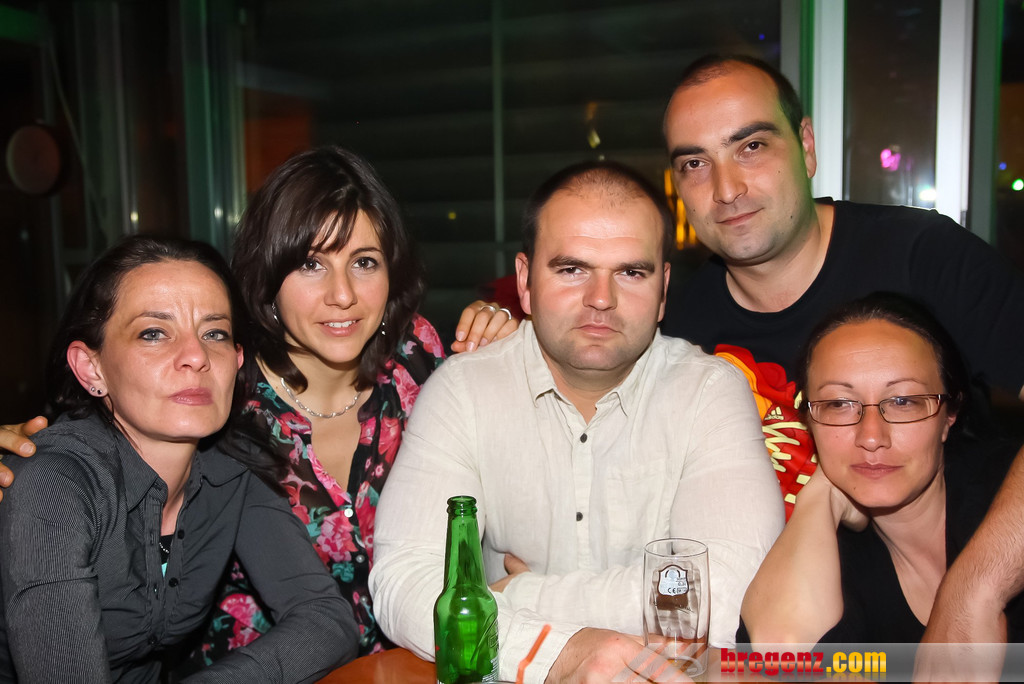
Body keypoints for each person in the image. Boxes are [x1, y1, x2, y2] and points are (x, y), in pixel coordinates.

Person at [0, 146, 517, 665]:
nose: (342, 294)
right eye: (311, 263)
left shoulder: (420, 359)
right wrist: (26, 465)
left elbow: (506, 478)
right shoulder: (226, 410)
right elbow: (82, 461)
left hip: (417, 657)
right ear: (268, 278)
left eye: (364, 262)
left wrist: (512, 355)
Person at [658, 54, 1024, 659]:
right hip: (782, 622)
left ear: (806, 147)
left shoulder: (923, 257)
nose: (726, 189)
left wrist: (975, 590)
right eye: (695, 163)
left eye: (751, 147)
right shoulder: (674, 324)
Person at [369, 160, 784, 683]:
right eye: (572, 270)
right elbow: (403, 583)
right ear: (525, 281)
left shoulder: (709, 392)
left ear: (663, 289)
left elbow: (726, 593)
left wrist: (518, 595)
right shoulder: (464, 391)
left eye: (631, 272)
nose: (601, 299)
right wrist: (562, 653)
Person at [0, 236, 357, 682]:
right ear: (91, 368)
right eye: (153, 333)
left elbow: (326, 620)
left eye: (214, 334)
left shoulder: (233, 467)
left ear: (236, 360)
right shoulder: (57, 483)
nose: (196, 357)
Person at [740, 292, 1023, 651]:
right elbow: (778, 651)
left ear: (949, 416)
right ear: (809, 421)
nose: (872, 437)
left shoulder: (1000, 487)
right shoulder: (827, 558)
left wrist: (976, 590)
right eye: (839, 404)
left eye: (903, 401)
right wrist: (820, 496)